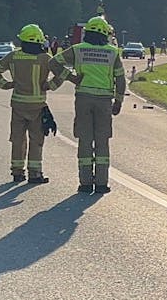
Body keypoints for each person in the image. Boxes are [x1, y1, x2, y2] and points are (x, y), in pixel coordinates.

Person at [52, 15, 127, 194]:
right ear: (105, 34)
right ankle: (101, 184)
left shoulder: (78, 49)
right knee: (102, 141)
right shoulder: (113, 52)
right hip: (105, 102)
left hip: (83, 99)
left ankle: (85, 183)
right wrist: (119, 101)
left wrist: (72, 78)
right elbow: (121, 79)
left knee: (85, 140)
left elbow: (53, 63)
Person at [0, 24, 70, 184]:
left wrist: (5, 84)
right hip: (37, 106)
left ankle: (17, 173)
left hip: (18, 105)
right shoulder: (45, 59)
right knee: (36, 140)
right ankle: (35, 173)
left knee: (17, 140)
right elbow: (62, 73)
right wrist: (50, 85)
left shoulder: (13, 57)